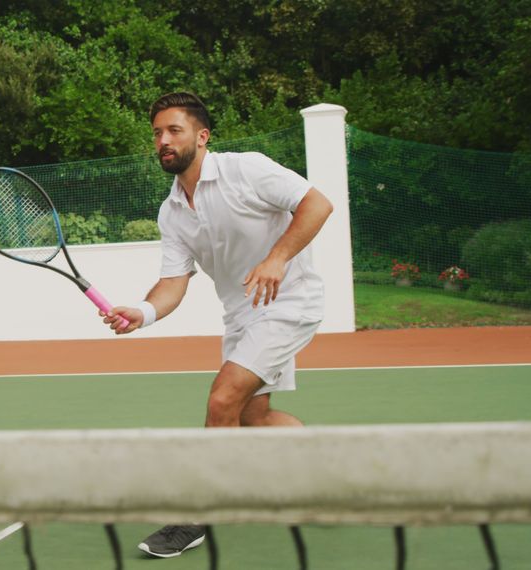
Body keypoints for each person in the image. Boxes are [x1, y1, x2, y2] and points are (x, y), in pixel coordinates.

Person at [102, 92, 334, 558]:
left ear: (202, 136)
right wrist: (141, 313)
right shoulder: (172, 211)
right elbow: (172, 283)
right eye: (157, 134)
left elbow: (318, 204)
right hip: (242, 314)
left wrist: (276, 259)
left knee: (223, 397)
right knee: (252, 417)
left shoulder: (245, 169)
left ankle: (195, 515)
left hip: (290, 299)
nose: (163, 141)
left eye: (174, 130)